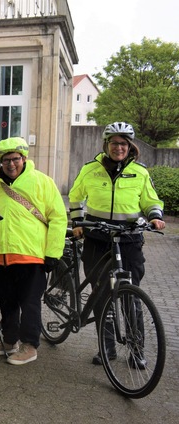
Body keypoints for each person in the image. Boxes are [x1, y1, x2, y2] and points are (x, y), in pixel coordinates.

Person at [0, 137, 66, 365]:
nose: (11, 164)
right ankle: (10, 341)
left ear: (24, 158)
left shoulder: (42, 182)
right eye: (6, 160)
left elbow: (58, 217)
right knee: (7, 300)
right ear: (0, 162)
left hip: (32, 255)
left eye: (15, 159)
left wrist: (53, 253)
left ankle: (29, 346)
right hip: (2, 255)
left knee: (29, 302)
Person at [68, 122, 165, 367]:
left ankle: (136, 350)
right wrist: (78, 222)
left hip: (129, 240)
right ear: (106, 145)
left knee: (130, 297)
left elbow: (150, 199)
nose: (118, 147)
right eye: (114, 143)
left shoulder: (140, 172)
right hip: (97, 239)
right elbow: (77, 196)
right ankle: (107, 348)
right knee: (101, 295)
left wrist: (155, 216)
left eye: (123, 143)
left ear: (130, 147)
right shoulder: (91, 169)